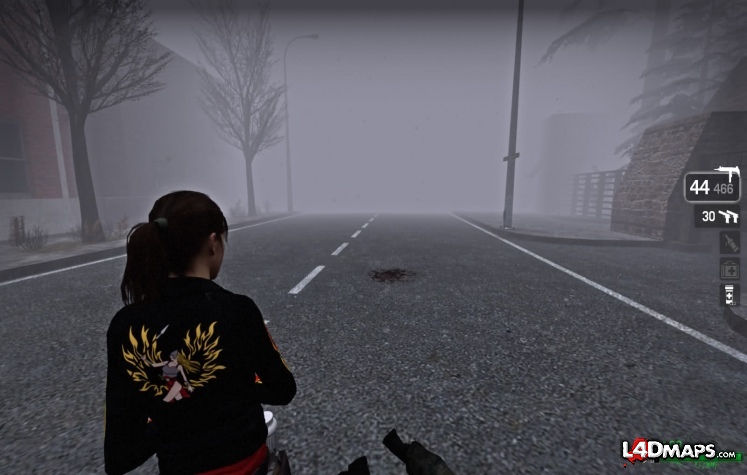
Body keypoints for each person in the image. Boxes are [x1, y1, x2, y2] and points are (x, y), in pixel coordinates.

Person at [105, 190, 296, 475]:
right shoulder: (238, 309)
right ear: (213, 242)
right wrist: (229, 389)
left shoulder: (126, 325)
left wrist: (172, 412)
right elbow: (283, 389)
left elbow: (119, 455)